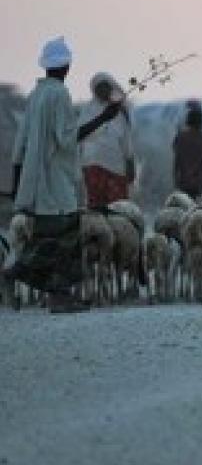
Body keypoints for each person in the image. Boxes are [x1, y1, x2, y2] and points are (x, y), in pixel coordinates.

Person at [2, 37, 123, 313]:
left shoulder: (36, 95)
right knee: (64, 238)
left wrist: (18, 183)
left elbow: (20, 144)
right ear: (66, 66)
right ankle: (47, 290)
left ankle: (50, 291)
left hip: (38, 183)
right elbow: (68, 139)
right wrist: (104, 118)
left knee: (45, 238)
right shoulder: (59, 95)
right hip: (56, 182)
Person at [79, 72, 135, 207]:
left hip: (116, 166)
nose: (103, 91)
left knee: (118, 208)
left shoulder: (119, 111)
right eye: (99, 88)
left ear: (112, 88)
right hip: (92, 164)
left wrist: (130, 163)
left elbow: (126, 141)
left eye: (106, 87)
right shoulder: (87, 110)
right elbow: (79, 137)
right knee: (96, 209)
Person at [173, 104, 202, 200]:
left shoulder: (180, 138)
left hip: (184, 182)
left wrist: (175, 180)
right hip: (201, 183)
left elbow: (177, 160)